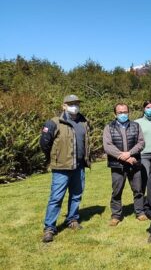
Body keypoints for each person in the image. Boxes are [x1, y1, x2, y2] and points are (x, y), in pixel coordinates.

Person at [40, 94, 91, 243]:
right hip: (61, 167)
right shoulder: (54, 122)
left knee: (76, 195)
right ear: (63, 106)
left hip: (79, 167)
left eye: (76, 103)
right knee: (56, 198)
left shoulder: (83, 122)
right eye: (71, 103)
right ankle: (49, 228)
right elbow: (44, 143)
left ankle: (72, 220)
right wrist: (55, 158)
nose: (74, 106)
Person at [103, 103, 147, 226]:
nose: (123, 114)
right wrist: (123, 156)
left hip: (134, 164)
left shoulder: (136, 126)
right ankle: (116, 215)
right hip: (117, 165)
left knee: (138, 190)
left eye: (125, 112)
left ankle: (140, 212)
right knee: (117, 191)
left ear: (129, 112)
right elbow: (107, 146)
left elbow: (141, 143)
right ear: (115, 114)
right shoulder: (108, 127)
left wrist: (130, 153)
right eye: (120, 112)